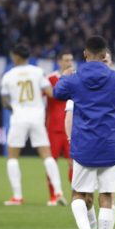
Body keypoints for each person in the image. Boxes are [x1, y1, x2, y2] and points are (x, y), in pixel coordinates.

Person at [54, 37, 115, 229]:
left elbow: (58, 92)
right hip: (110, 147)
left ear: (85, 54)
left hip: (84, 146)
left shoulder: (75, 79)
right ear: (104, 56)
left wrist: (65, 76)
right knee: (107, 197)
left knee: (79, 195)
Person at [0, 44, 64, 206]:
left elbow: (4, 100)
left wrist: (13, 107)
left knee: (13, 156)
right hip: (36, 116)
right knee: (47, 155)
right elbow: (51, 93)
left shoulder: (8, 75)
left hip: (19, 117)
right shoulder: (37, 72)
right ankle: (58, 192)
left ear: (15, 56)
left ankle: (17, 196)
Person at [45, 51, 74, 206]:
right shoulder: (50, 79)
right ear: (59, 62)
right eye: (66, 60)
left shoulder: (76, 78)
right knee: (52, 162)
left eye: (70, 60)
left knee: (73, 163)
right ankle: (53, 196)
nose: (69, 62)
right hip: (54, 128)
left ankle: (75, 195)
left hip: (71, 128)